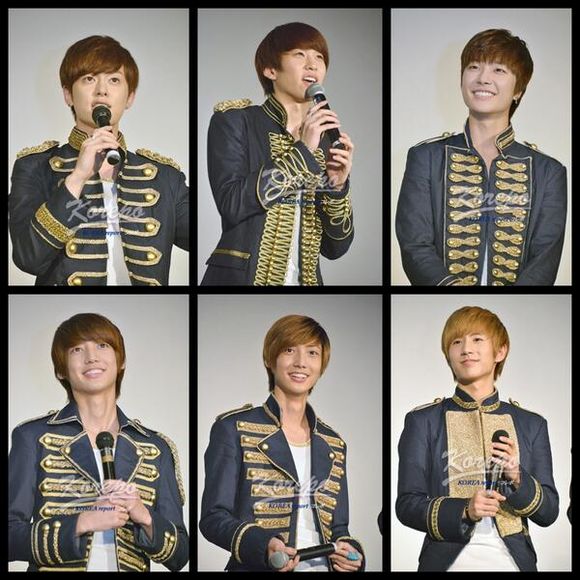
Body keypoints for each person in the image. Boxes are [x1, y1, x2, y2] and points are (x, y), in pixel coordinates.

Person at [8, 313, 189, 571]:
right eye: (77, 349)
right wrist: (81, 523)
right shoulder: (31, 437)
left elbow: (180, 555)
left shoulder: (156, 447)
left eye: (102, 345)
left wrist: (144, 516)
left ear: (121, 360)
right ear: (61, 370)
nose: (91, 357)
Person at [9, 36, 189, 286]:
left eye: (114, 80)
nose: (102, 90)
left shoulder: (165, 177)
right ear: (68, 95)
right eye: (89, 79)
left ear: (130, 97)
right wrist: (76, 179)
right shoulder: (35, 167)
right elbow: (27, 259)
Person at [395, 29, 567, 286]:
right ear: (462, 79)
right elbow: (414, 245)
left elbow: (545, 258)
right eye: (474, 67)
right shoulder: (426, 158)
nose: (483, 78)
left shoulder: (548, 171)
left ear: (519, 90)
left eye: (499, 70)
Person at [396, 306, 558, 571]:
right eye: (456, 342)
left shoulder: (532, 424)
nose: (466, 349)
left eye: (477, 339)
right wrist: (464, 510)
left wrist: (517, 476)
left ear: (500, 351)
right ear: (448, 355)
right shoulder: (422, 421)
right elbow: (406, 505)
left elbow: (549, 512)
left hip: (515, 563)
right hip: (444, 563)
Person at [200, 314, 364, 571]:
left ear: (322, 365)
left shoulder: (334, 443)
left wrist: (350, 553)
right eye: (289, 350)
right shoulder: (233, 428)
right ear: (270, 358)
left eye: (312, 353)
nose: (301, 362)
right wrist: (263, 545)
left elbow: (339, 527)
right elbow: (213, 517)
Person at [201, 22, 354, 286]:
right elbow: (231, 204)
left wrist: (337, 186)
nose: (312, 65)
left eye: (319, 57)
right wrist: (303, 152)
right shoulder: (235, 121)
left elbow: (336, 248)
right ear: (270, 69)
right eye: (299, 54)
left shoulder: (328, 138)